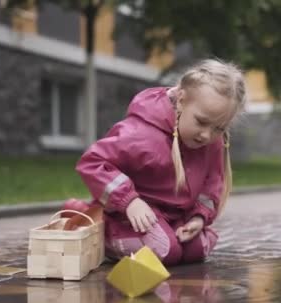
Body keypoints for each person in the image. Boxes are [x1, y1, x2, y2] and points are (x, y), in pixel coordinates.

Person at [76, 59, 247, 266]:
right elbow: (93, 163)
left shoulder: (213, 140)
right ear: (181, 100)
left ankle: (166, 235)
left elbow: (211, 184)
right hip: (132, 216)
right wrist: (129, 201)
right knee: (166, 251)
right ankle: (106, 234)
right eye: (201, 122)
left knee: (197, 249)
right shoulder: (140, 134)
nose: (206, 135)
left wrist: (198, 218)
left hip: (176, 216)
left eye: (219, 128)